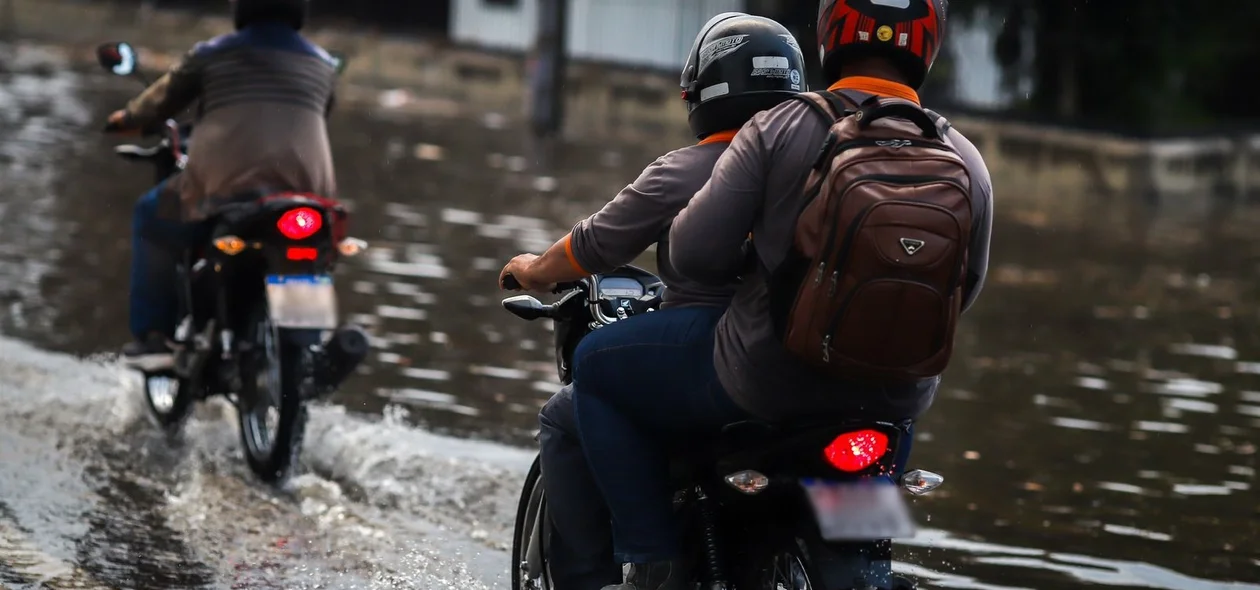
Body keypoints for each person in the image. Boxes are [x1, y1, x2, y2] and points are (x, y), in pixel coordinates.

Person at [571, 1, 994, 589]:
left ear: (829, 33)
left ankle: (652, 557)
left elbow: (695, 254)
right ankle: (868, 556)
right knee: (868, 556)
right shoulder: (965, 158)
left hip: (766, 380)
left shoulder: (784, 126)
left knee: (594, 366)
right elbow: (963, 290)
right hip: (892, 403)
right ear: (930, 46)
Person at [498, 13, 806, 590]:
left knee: (573, 403)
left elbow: (594, 244)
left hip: (717, 362)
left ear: (704, 90)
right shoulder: (818, 167)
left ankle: (633, 562)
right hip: (816, 362)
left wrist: (533, 270)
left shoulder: (691, 168)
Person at [109, 0, 338, 369]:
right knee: (306, 255)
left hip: (225, 190)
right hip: (309, 196)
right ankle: (311, 350)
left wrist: (125, 118)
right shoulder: (323, 65)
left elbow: (155, 106)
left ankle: (154, 338)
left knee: (151, 216)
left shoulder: (212, 54)